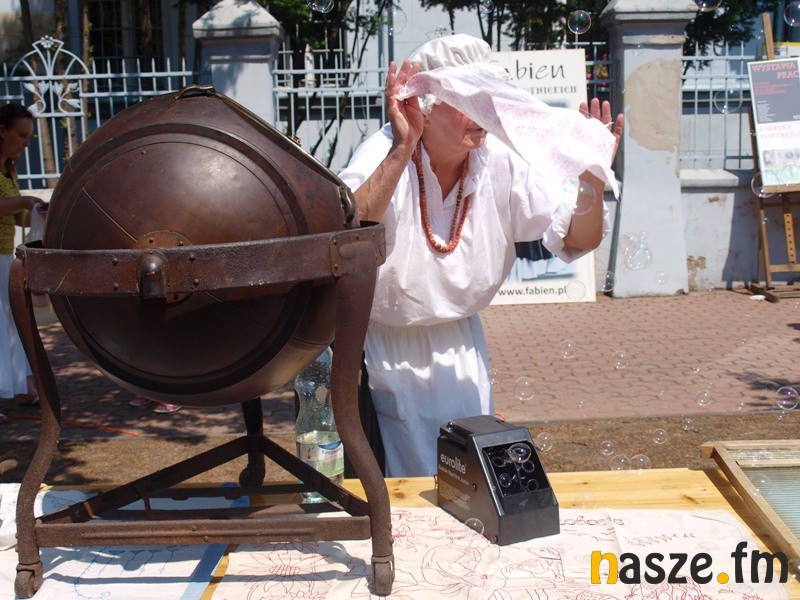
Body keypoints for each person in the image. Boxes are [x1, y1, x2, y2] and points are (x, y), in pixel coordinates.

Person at [338, 34, 623, 477]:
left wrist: (592, 175)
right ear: (425, 107)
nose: (483, 111)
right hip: (378, 348)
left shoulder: (499, 159)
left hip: (461, 348)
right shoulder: (387, 149)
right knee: (396, 488)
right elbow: (348, 231)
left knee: (466, 481)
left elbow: (580, 239)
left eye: (488, 97)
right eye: (468, 99)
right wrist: (402, 148)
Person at [0, 103, 47, 423]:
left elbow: (12, 215)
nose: (26, 143)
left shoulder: (9, 168)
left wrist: (36, 213)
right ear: (1, 130)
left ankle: (22, 387)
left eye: (30, 137)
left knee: (11, 321)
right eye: (21, 135)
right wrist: (24, 202)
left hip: (4, 254)